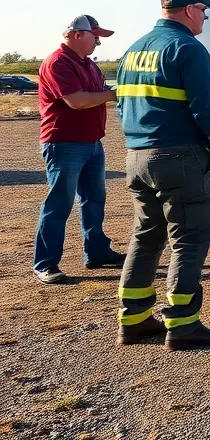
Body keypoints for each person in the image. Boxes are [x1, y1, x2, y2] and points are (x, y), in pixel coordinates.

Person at [114, 0, 210, 349]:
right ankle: (182, 324)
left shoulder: (133, 50)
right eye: (204, 11)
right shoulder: (188, 49)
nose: (205, 18)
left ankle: (133, 319)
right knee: (189, 238)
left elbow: (122, 105)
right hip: (178, 156)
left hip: (137, 155)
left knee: (146, 236)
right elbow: (205, 107)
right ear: (189, 9)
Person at [32, 15, 125, 284]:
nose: (98, 41)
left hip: (92, 143)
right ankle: (45, 263)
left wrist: (110, 94)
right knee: (59, 202)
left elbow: (96, 95)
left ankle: (96, 252)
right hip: (64, 143)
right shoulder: (58, 63)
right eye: (94, 36)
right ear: (76, 35)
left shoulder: (89, 66)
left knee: (94, 199)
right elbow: (76, 101)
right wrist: (114, 95)